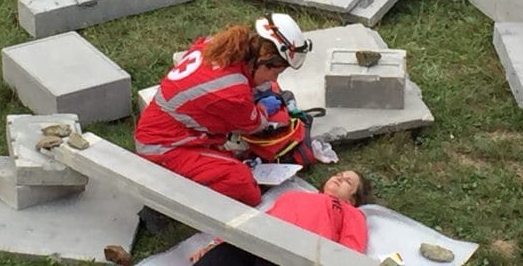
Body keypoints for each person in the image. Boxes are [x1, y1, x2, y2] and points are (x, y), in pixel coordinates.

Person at [134, 13, 313, 207]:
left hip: (167, 130)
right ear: (264, 58)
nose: (274, 80)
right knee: (245, 186)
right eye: (275, 73)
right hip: (163, 149)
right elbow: (255, 123)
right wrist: (263, 107)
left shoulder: (219, 45)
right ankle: (168, 200)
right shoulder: (232, 93)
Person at [191, 170, 373, 265]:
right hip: (255, 242)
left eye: (348, 182)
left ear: (352, 199)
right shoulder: (293, 196)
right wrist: (216, 242)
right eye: (338, 175)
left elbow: (352, 249)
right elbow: (257, 221)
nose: (339, 179)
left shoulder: (351, 212)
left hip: (296, 254)